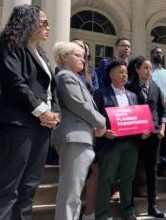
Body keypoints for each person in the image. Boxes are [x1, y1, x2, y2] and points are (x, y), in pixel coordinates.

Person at [0, 5, 60, 220]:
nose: (48, 27)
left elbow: (51, 90)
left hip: (42, 127)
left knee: (29, 186)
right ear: (27, 22)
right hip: (17, 124)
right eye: (43, 22)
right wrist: (42, 111)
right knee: (8, 186)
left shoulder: (42, 55)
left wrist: (54, 114)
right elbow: (15, 83)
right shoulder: (9, 45)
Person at [52, 42, 106, 220]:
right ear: (64, 57)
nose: (83, 59)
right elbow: (79, 105)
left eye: (83, 56)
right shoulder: (65, 76)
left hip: (82, 137)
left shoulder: (75, 78)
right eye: (77, 55)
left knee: (74, 193)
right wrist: (101, 122)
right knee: (71, 193)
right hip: (74, 137)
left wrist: (95, 126)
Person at [93, 60, 139, 220]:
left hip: (131, 143)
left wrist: (143, 130)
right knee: (106, 179)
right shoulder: (100, 94)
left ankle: (128, 212)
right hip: (110, 143)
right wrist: (104, 132)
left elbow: (137, 119)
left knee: (128, 178)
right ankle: (102, 214)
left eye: (126, 72)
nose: (124, 75)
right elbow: (95, 118)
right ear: (111, 74)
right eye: (120, 72)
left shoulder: (133, 96)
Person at [126, 56, 166, 218]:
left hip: (154, 134)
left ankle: (152, 206)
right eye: (145, 68)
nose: (148, 71)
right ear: (137, 70)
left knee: (152, 170)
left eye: (150, 69)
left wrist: (162, 128)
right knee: (132, 170)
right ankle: (129, 206)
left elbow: (163, 110)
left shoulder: (156, 87)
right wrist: (139, 128)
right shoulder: (129, 87)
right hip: (136, 135)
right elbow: (127, 110)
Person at [150, 47, 166, 175]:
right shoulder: (149, 71)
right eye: (156, 52)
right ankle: (153, 164)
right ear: (152, 55)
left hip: (165, 110)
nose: (159, 54)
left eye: (160, 53)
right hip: (152, 110)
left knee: (164, 140)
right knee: (153, 138)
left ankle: (163, 167)